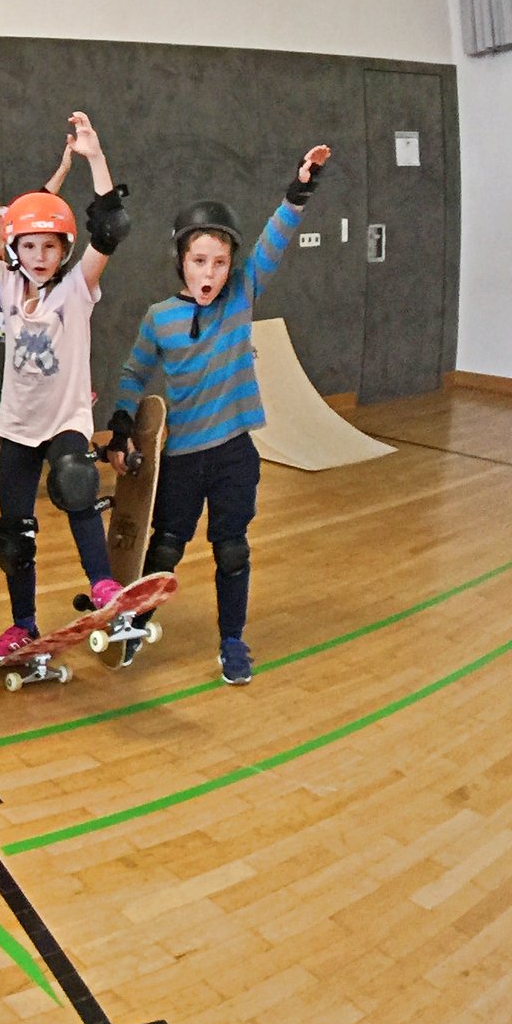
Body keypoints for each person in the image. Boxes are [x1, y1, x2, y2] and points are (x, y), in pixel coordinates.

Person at [107, 143, 331, 686]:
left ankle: (232, 641)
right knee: (165, 547)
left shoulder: (241, 296)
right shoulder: (160, 319)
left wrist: (298, 191)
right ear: (182, 260)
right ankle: (134, 625)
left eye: (221, 261)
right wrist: (120, 422)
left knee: (231, 549)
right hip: (181, 457)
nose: (211, 271)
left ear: (232, 266)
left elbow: (274, 242)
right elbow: (134, 375)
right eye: (200, 260)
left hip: (233, 453)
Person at [0, 115, 131, 668]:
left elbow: (110, 229)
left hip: (68, 419)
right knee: (13, 533)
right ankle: (22, 624)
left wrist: (95, 160)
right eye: (29, 246)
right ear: (15, 249)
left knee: (77, 486)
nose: (39, 255)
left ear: (63, 249)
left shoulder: (78, 288)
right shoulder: (3, 284)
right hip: (16, 427)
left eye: (50, 246)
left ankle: (103, 585)